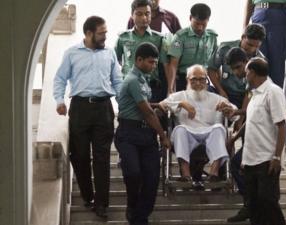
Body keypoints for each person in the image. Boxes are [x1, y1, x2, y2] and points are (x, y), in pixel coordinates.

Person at [53, 16, 123, 218]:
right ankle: (88, 196)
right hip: (80, 108)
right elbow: (60, 79)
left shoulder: (109, 53)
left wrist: (123, 105)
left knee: (101, 159)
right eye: (101, 32)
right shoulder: (72, 53)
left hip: (104, 109)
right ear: (89, 33)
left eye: (105, 32)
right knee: (80, 156)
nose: (105, 36)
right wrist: (59, 101)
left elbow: (117, 81)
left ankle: (102, 204)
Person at [114, 42, 171, 225]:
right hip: (129, 133)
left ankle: (140, 217)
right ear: (138, 60)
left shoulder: (144, 80)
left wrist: (159, 107)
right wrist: (163, 136)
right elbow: (146, 112)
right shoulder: (131, 80)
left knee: (152, 178)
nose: (154, 66)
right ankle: (132, 207)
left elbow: (147, 107)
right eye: (150, 62)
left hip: (146, 137)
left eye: (155, 62)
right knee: (134, 174)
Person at [160, 65, 237, 184]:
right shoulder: (179, 96)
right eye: (194, 79)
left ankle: (214, 173)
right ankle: (185, 174)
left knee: (219, 128)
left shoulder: (216, 98)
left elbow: (235, 113)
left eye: (202, 79)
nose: (198, 83)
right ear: (187, 80)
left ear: (207, 80)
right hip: (187, 134)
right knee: (180, 129)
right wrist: (181, 104)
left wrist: (228, 108)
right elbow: (161, 106)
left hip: (210, 135)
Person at [235, 57, 286, 225]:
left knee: (268, 203)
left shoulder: (273, 91)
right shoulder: (254, 95)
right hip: (250, 161)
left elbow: (281, 125)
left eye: (247, 72)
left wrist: (277, 157)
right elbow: (250, 125)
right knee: (255, 207)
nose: (245, 75)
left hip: (267, 160)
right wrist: (243, 157)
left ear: (253, 73)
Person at [115, 0, 168, 102]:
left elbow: (165, 64)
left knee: (153, 115)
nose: (144, 18)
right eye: (139, 14)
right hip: (129, 86)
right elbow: (116, 61)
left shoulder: (159, 38)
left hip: (152, 86)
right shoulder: (123, 38)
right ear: (132, 15)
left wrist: (170, 88)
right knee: (130, 116)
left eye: (147, 14)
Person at [243, 0, 286, 88]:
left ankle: (275, 99)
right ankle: (257, 100)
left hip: (279, 15)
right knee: (257, 64)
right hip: (258, 14)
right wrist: (245, 25)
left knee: (277, 65)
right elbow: (248, 2)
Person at [208, 23, 266, 109]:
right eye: (249, 44)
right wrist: (221, 91)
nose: (252, 49)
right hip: (223, 92)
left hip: (243, 98)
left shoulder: (260, 61)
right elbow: (211, 69)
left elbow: (250, 93)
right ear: (243, 37)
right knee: (203, 90)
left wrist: (241, 118)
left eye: (256, 46)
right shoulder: (225, 48)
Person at [167, 3, 218, 94]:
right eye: (197, 23)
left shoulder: (212, 37)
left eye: (203, 24)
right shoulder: (180, 37)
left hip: (203, 81)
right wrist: (171, 88)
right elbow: (173, 64)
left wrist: (220, 87)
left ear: (208, 20)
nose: (200, 27)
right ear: (190, 18)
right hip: (184, 81)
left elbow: (215, 65)